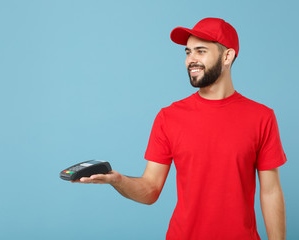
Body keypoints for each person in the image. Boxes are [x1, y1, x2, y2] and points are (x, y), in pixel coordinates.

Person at [73, 17, 287, 240]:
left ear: (227, 56)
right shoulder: (169, 117)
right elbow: (151, 190)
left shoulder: (261, 117)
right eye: (187, 52)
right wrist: (117, 180)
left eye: (201, 51)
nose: (190, 60)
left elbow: (271, 192)